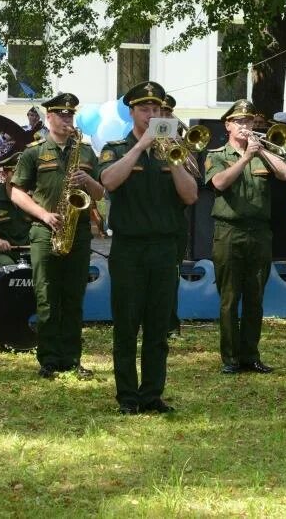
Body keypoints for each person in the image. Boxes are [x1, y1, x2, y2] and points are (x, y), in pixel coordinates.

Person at [99, 81, 199, 414]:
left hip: (163, 248)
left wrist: (173, 160)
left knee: (158, 326)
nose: (152, 115)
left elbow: (190, 196)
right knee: (126, 325)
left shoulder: (174, 149)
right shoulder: (116, 148)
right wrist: (141, 147)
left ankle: (152, 393)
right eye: (145, 109)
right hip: (128, 248)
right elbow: (109, 181)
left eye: (157, 110)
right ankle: (127, 395)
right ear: (132, 113)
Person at [10, 93, 104, 379]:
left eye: (70, 116)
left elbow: (101, 193)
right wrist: (43, 215)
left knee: (74, 296)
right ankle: (48, 359)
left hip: (79, 232)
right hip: (45, 230)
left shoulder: (86, 152)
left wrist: (88, 181)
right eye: (61, 115)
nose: (66, 120)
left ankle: (72, 358)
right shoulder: (34, 152)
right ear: (48, 117)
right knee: (47, 296)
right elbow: (15, 192)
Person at [206, 99, 286, 374]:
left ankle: (251, 356)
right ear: (228, 125)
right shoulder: (217, 154)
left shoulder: (262, 151)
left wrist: (260, 152)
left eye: (250, 122)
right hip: (229, 231)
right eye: (240, 122)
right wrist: (245, 158)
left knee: (256, 296)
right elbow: (218, 183)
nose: (246, 126)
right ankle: (230, 359)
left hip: (259, 232)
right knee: (230, 298)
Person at [160, 93, 191, 338]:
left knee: (172, 273)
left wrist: (175, 147)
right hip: (144, 217)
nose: (164, 117)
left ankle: (170, 323)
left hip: (174, 218)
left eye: (168, 113)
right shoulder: (137, 142)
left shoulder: (182, 144)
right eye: (160, 112)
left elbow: (197, 176)